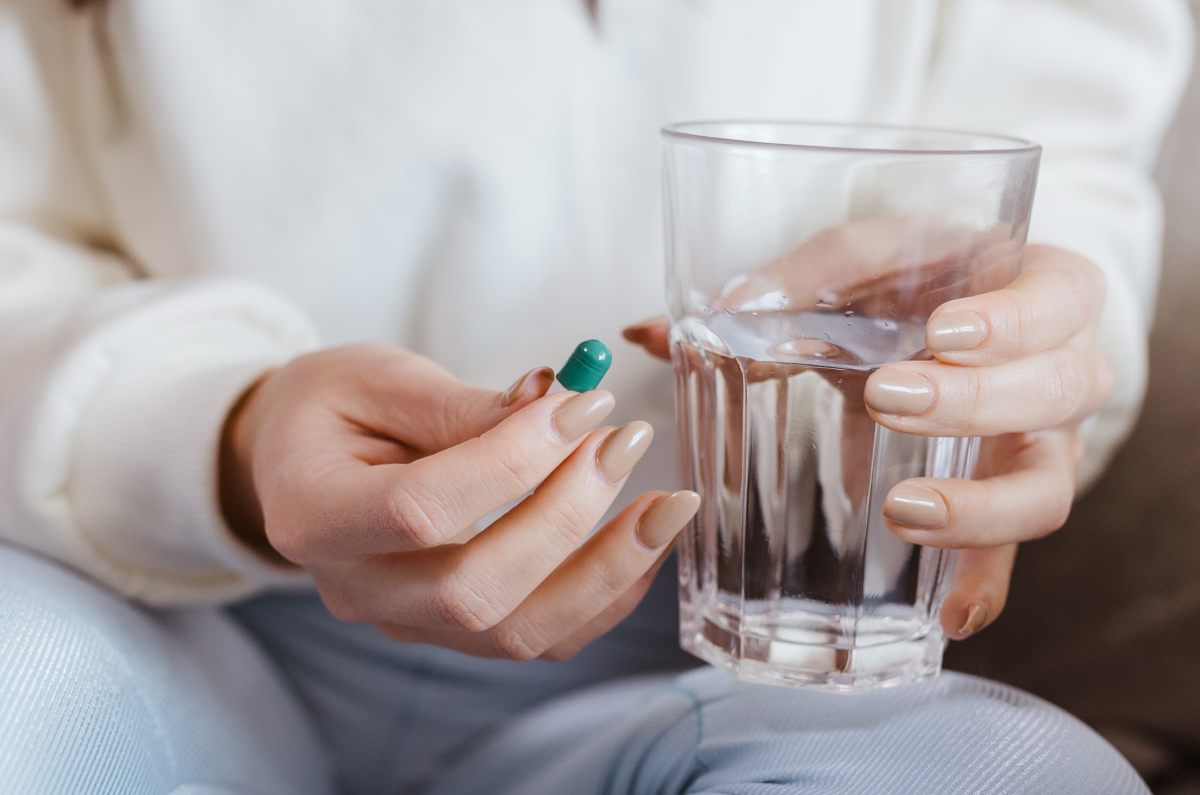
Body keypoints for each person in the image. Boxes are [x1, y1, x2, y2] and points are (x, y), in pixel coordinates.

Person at [0, 1, 1189, 792]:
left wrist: (1005, 336)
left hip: (718, 670)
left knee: (1017, 777)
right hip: (168, 622)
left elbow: (1050, 146)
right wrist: (221, 427)